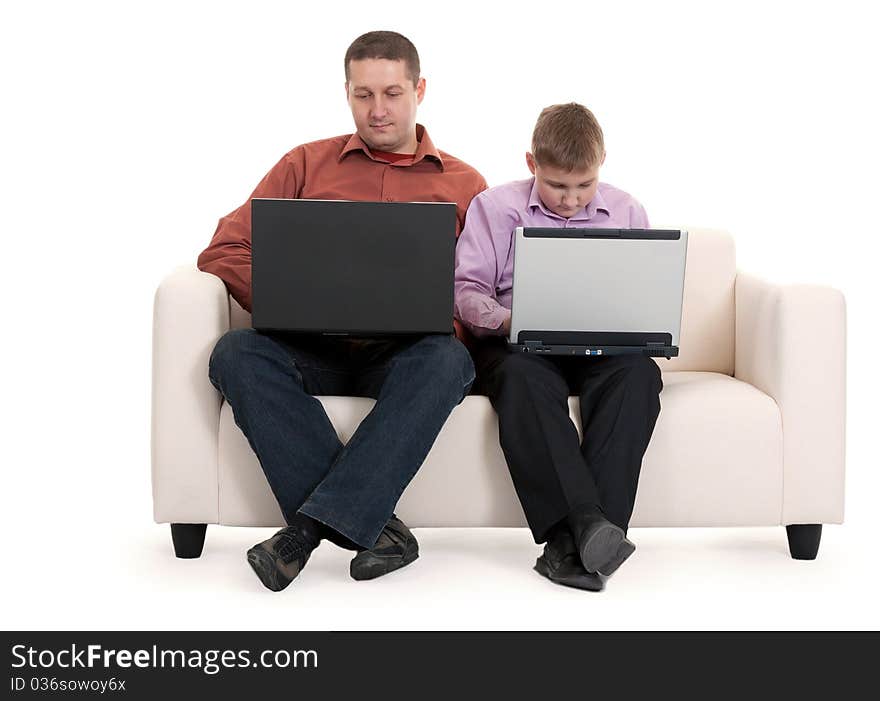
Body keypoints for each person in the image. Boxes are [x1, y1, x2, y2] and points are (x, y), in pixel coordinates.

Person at [199, 31, 487, 591]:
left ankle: (302, 533)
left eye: (392, 93)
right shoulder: (304, 164)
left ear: (420, 89)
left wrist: (436, 317)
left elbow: (482, 284)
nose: (377, 110)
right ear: (347, 93)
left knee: (448, 360)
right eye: (363, 95)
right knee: (235, 351)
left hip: (404, 356)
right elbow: (225, 249)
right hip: (311, 345)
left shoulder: (465, 184)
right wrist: (287, 298)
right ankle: (379, 530)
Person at [454, 103, 662, 591]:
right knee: (521, 380)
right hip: (520, 346)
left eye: (584, 185)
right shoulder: (494, 207)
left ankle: (573, 546)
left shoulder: (628, 210)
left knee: (639, 375)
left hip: (603, 348)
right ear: (531, 164)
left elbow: (645, 292)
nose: (571, 200)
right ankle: (590, 527)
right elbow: (466, 293)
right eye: (557, 186)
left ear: (603, 162)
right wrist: (516, 320)